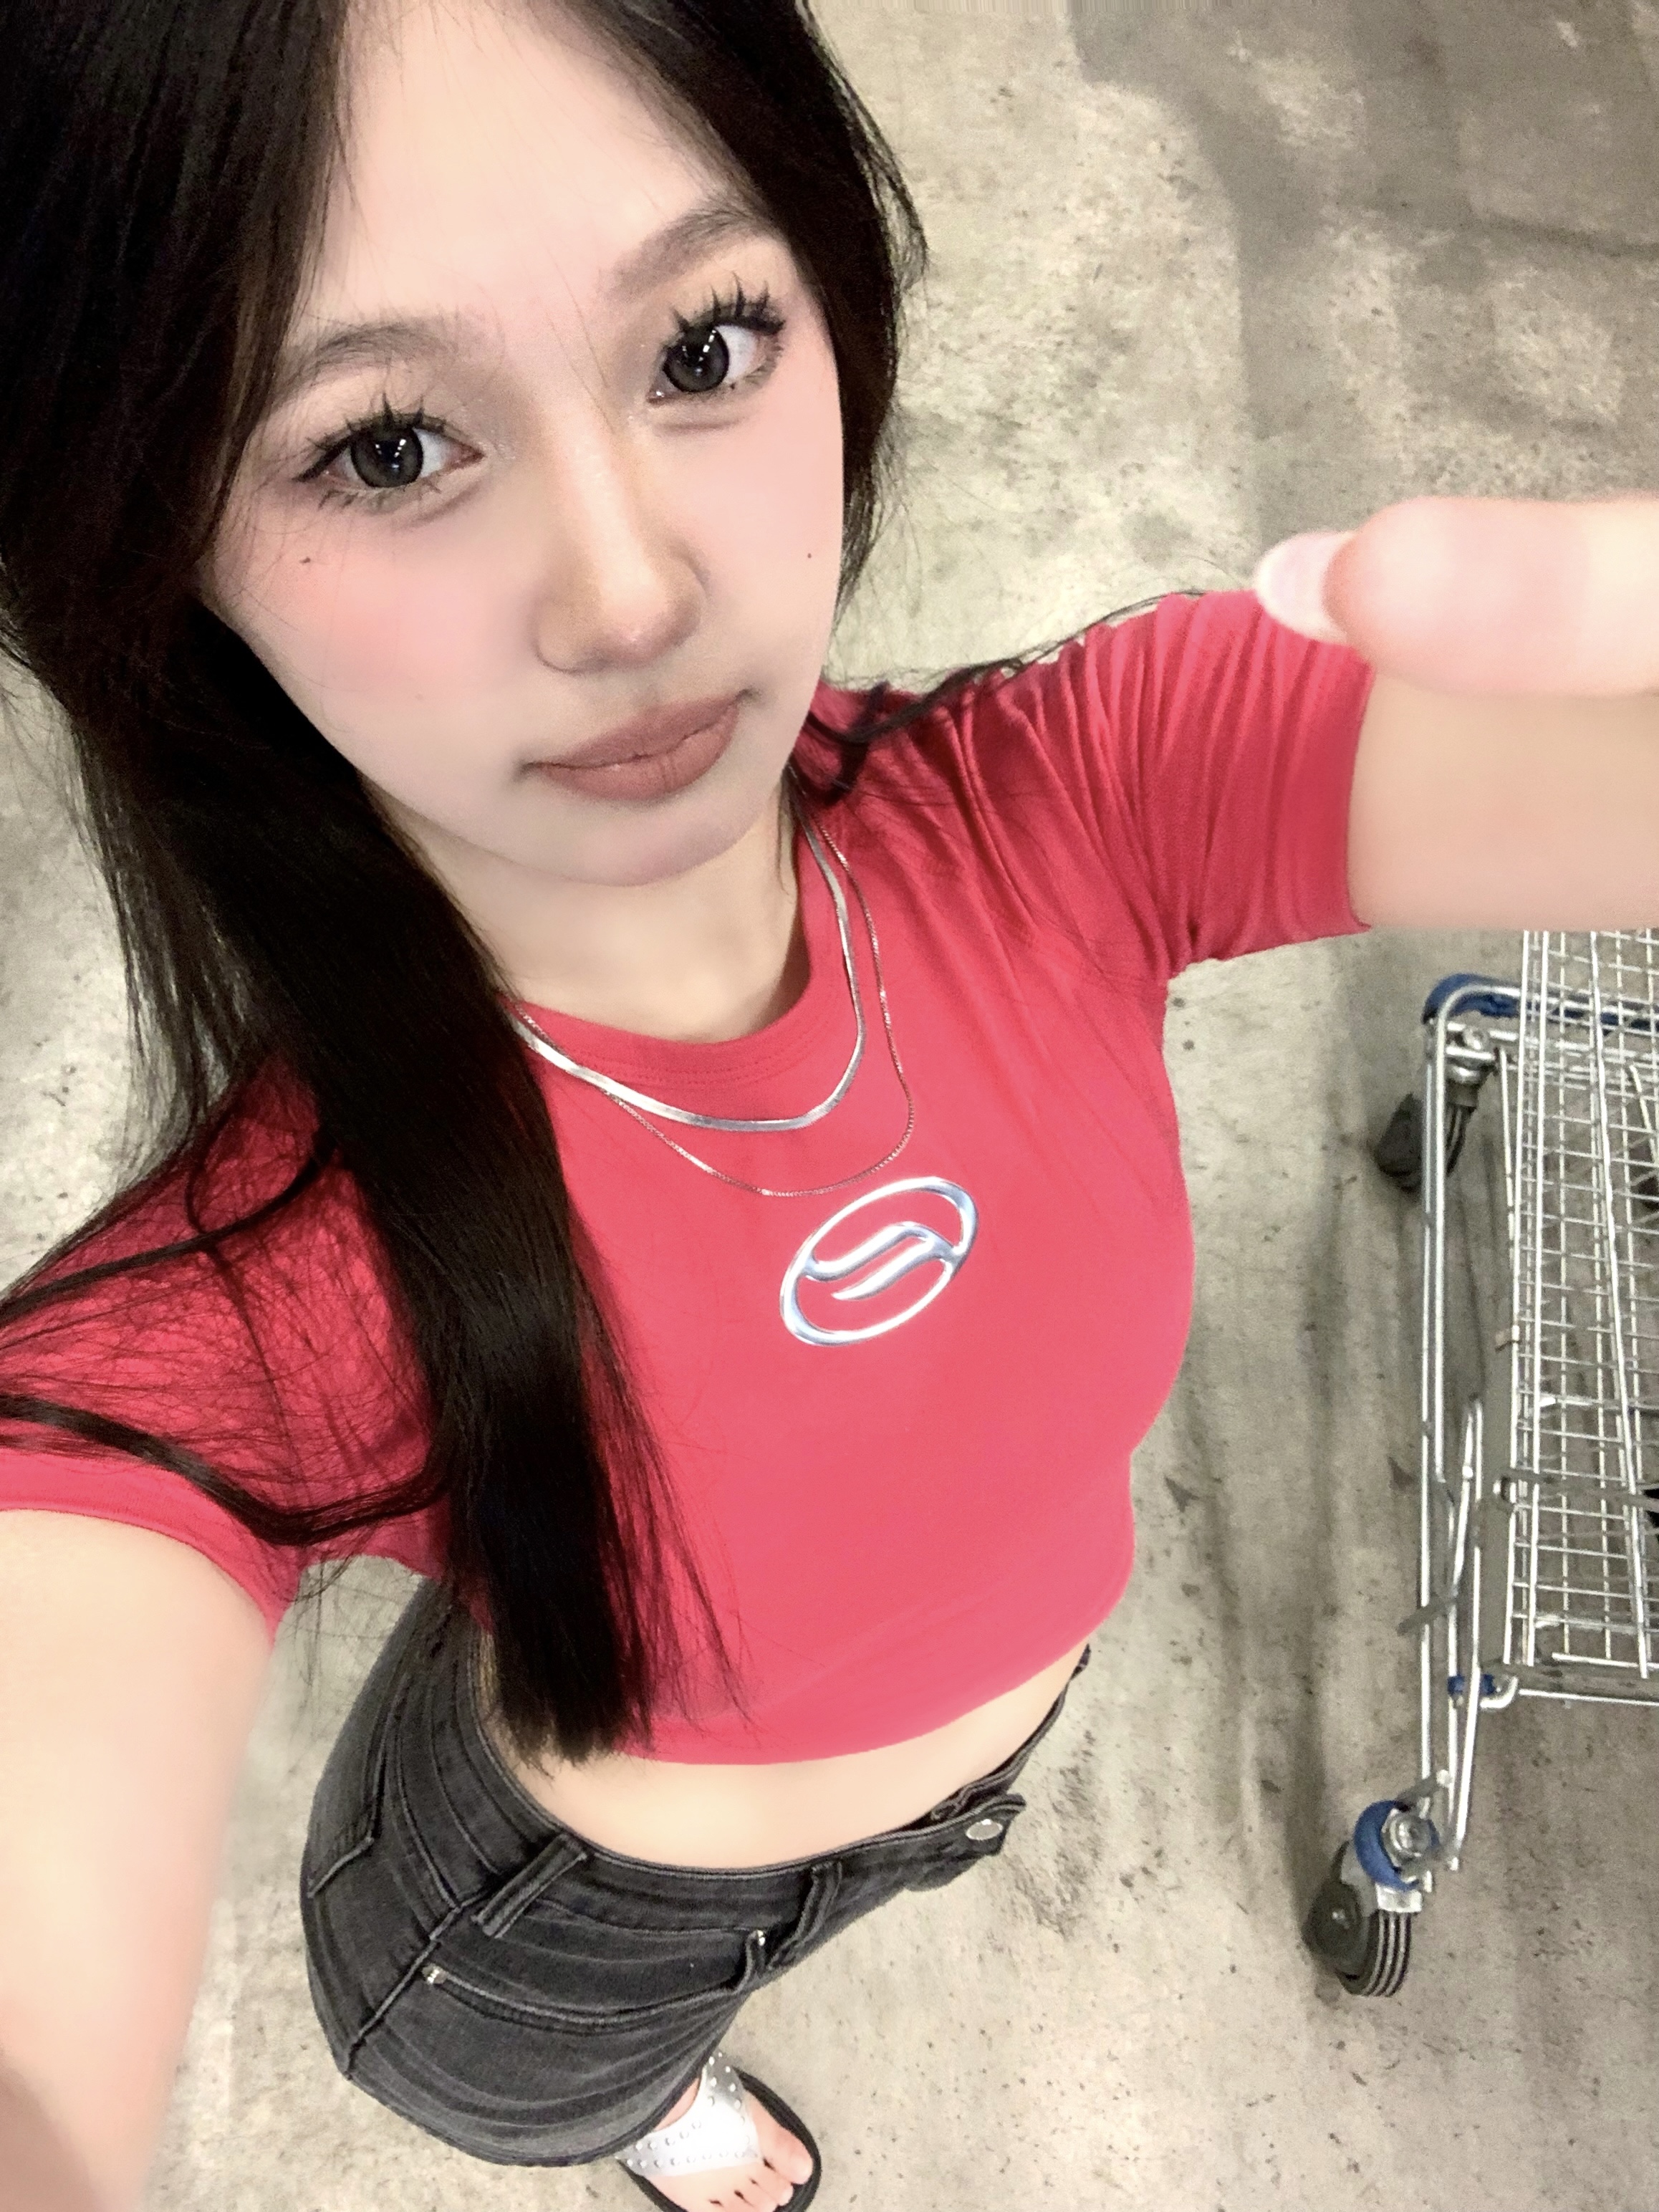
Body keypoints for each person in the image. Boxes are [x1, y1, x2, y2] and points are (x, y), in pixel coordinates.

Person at [1, 1, 1655, 2208]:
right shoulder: (289, 1273)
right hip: (559, 1928)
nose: (632, 592)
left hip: (954, 1788)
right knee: (581, 2086)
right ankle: (640, 2107)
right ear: (156, 544)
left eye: (703, 345)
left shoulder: (1078, 803)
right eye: (387, 447)